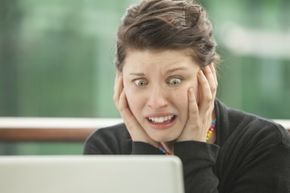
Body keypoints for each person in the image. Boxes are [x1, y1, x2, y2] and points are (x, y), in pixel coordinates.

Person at [84, 0, 290, 192]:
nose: (156, 102)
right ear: (121, 82)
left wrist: (193, 154)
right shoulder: (106, 148)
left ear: (208, 76)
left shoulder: (265, 145)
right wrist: (145, 155)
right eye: (140, 82)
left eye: (174, 81)